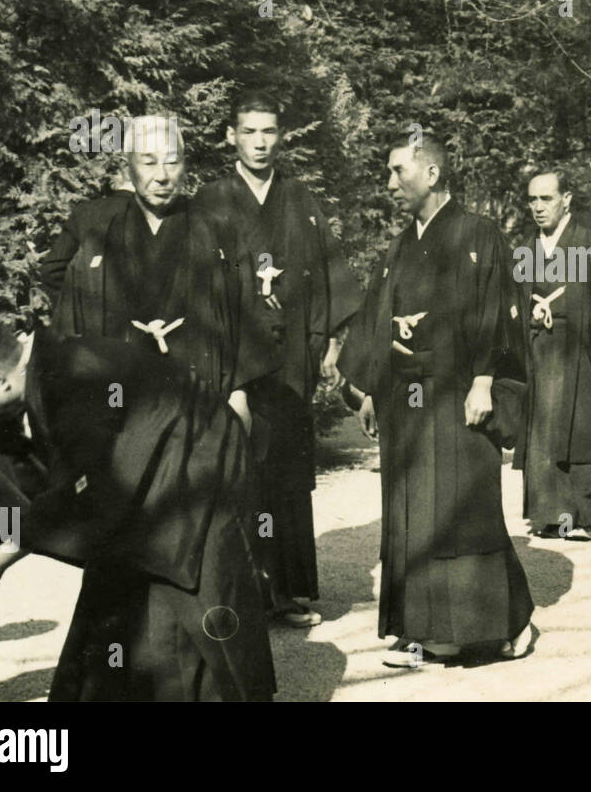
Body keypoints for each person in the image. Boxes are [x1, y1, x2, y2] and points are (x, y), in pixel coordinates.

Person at [0, 313, 275, 701]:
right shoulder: (18, 385)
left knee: (180, 633)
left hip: (196, 481)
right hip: (130, 492)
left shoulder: (81, 374)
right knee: (109, 624)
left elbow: (85, 490)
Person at [341, 132, 534, 666]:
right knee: (416, 513)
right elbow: (378, 318)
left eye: (398, 170)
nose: (390, 183)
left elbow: (499, 309)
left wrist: (483, 379)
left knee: (463, 509)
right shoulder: (402, 244)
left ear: (431, 173)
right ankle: (426, 629)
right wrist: (370, 390)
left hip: (458, 395)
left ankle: (503, 625)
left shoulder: (479, 234)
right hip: (407, 399)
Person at [196, 90, 361, 627]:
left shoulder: (300, 200)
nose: (260, 142)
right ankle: (237, 593)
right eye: (249, 131)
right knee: (237, 473)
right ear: (231, 136)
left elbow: (330, 273)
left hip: (290, 361)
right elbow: (192, 286)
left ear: (280, 136)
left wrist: (332, 346)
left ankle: (285, 592)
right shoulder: (212, 199)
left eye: (269, 131)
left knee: (285, 476)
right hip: (231, 362)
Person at [43, 114, 259, 421]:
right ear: (129, 166)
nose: (162, 175)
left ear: (185, 166)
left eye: (172, 162)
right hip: (120, 398)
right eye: (149, 162)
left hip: (199, 396)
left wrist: (239, 394)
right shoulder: (99, 240)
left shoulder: (218, 231)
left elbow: (246, 315)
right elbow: (73, 326)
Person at [516, 169, 591, 541]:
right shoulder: (528, 245)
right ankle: (551, 515)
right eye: (533, 199)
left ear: (566, 200)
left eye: (546, 198)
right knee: (544, 430)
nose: (539, 207)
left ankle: (587, 517)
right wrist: (530, 307)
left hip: (582, 344)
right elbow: (516, 294)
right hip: (540, 345)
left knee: (582, 428)